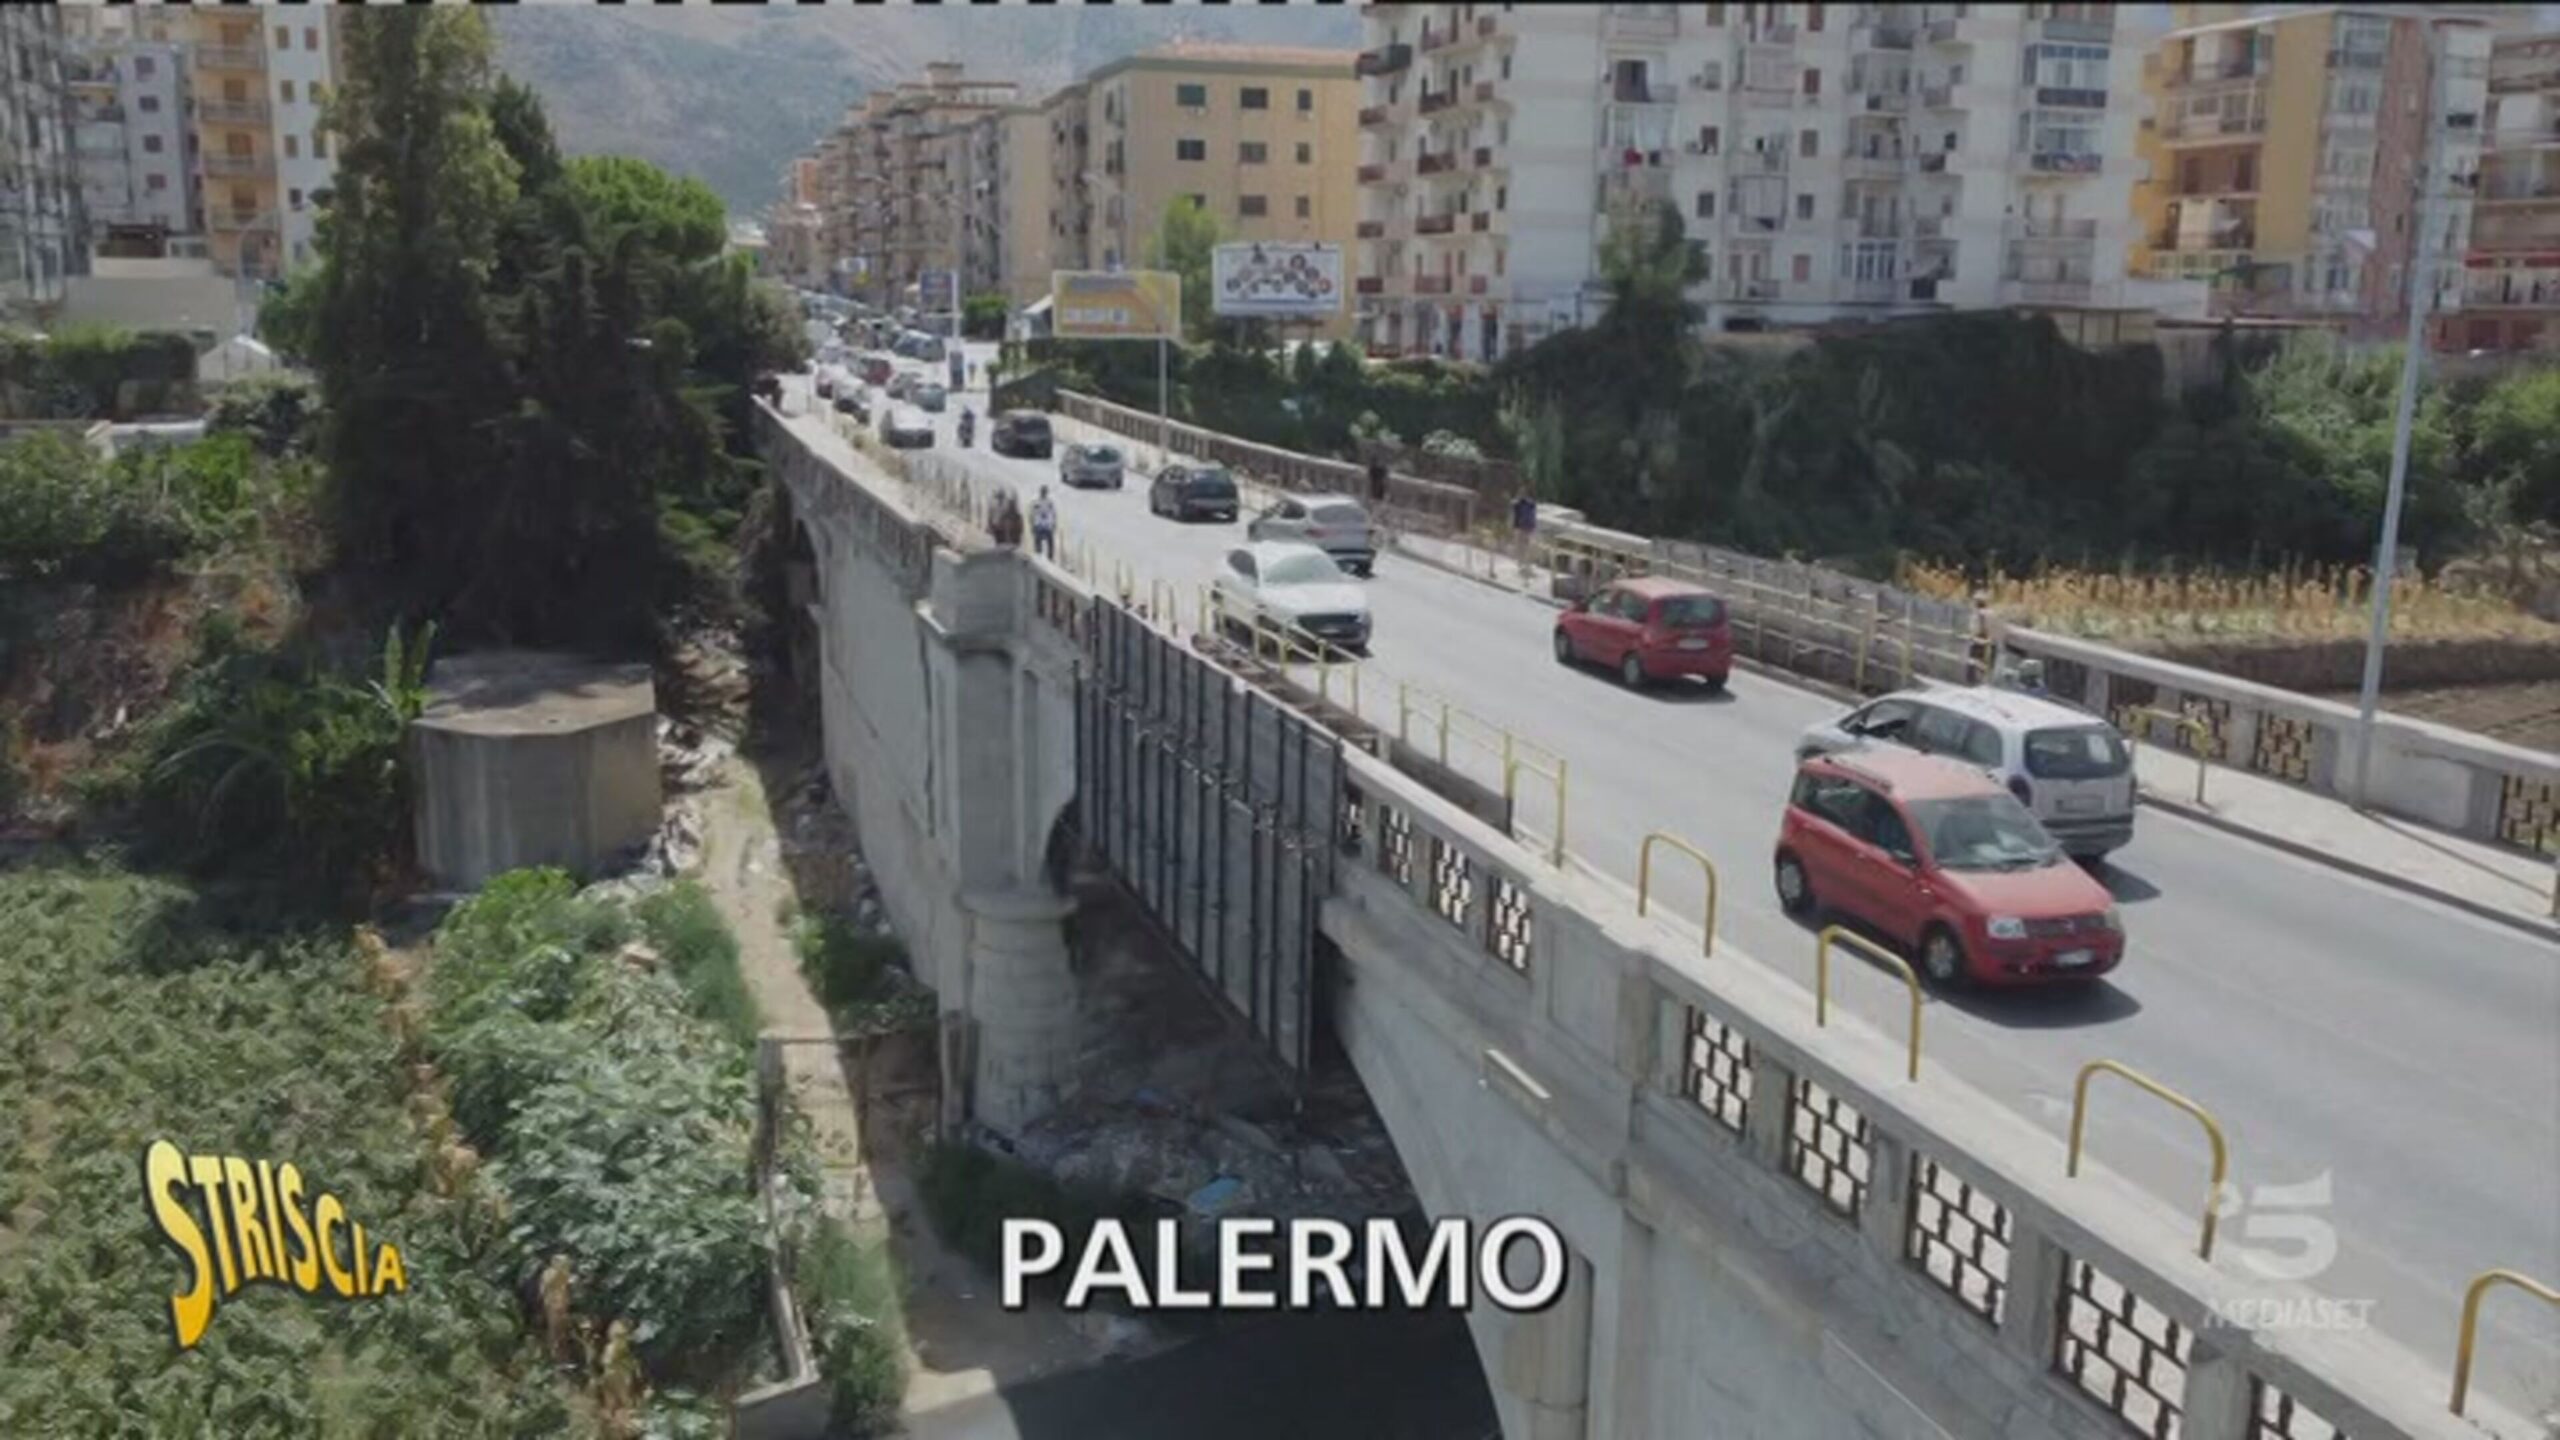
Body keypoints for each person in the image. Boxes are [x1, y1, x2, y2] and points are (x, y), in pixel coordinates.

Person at [1031, 486, 1059, 560]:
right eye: (1042, 491)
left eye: (1045, 492)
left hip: (1047, 525)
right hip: (1038, 525)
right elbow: (1032, 514)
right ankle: (1038, 556)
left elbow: (1054, 513)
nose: (1044, 493)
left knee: (1051, 543)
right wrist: (1032, 525)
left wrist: (1054, 524)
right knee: (1037, 541)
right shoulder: (1036, 501)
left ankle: (1050, 557)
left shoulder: (1050, 502)